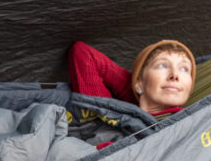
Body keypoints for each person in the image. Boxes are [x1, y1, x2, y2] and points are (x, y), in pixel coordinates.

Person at [67, 39, 195, 116]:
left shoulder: (199, 122)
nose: (175, 75)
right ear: (138, 83)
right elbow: (83, 53)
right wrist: (138, 89)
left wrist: (143, 88)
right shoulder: (106, 116)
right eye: (162, 65)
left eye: (184, 69)